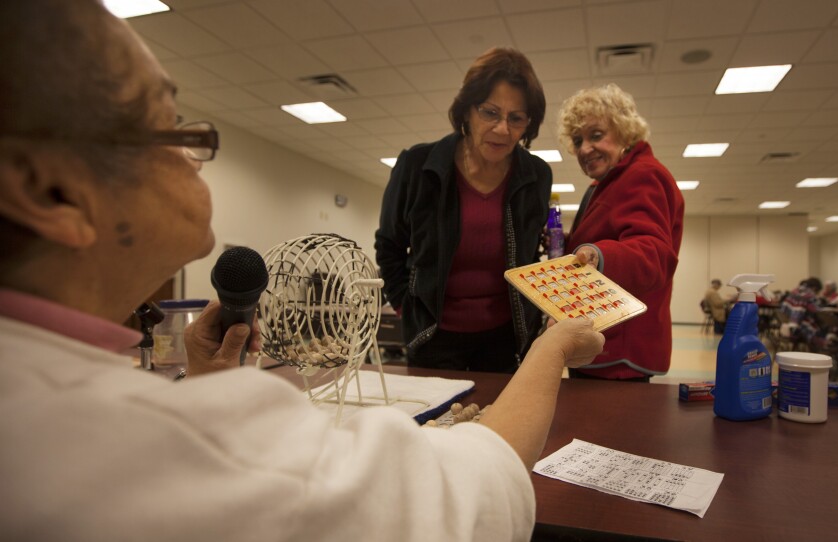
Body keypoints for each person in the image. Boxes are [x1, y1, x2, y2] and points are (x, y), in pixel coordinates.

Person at [0, 3, 606, 540]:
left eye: (518, 118)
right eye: (164, 120)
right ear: (48, 190)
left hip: (503, 336)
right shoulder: (134, 445)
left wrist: (207, 388)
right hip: (439, 339)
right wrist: (553, 348)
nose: (193, 147)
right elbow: (468, 495)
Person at [375, 47, 552, 373]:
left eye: (516, 118)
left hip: (506, 338)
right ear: (467, 112)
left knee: (499, 422)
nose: (503, 129)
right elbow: (389, 245)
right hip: (433, 336)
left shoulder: (536, 175)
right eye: (490, 112)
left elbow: (531, 256)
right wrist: (404, 304)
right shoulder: (417, 165)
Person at [557, 84, 684, 381]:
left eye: (596, 135)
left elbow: (652, 253)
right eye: (578, 140)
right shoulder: (605, 183)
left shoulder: (643, 174)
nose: (585, 148)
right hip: (601, 343)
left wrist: (598, 255)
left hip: (619, 351)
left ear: (625, 131)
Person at [780, 277, 824, 347]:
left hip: (787, 325)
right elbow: (817, 310)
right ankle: (820, 349)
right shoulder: (810, 294)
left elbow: (784, 308)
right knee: (821, 328)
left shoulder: (794, 291)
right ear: (815, 288)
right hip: (798, 328)